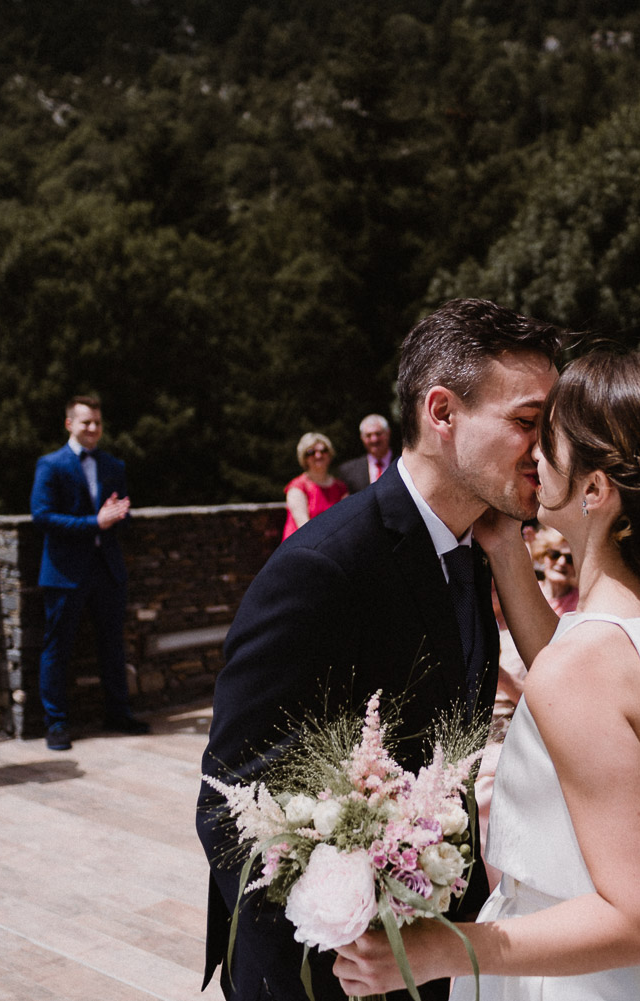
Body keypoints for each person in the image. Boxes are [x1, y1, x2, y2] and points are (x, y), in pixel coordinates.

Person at [332, 348, 640, 1001]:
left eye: (550, 440)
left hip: (580, 979)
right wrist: (509, 551)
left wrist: (437, 951)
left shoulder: (587, 667)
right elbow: (594, 681)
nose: (531, 454)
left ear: (595, 488)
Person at [198, 298, 568, 1001]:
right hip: (319, 969)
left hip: (431, 950)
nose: (547, 448)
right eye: (528, 422)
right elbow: (229, 797)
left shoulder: (477, 546)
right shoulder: (323, 568)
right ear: (442, 413)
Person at [30, 395, 148, 753]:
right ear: (69, 424)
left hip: (107, 568)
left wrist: (118, 514)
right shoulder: (50, 465)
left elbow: (121, 514)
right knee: (58, 648)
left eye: (97, 422)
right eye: (86, 422)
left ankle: (118, 713)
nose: (93, 428)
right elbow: (42, 516)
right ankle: (57, 723)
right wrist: (94, 521)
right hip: (65, 572)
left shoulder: (114, 464)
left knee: (112, 645)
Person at [283, 431, 349, 539]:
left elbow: (346, 520)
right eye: (311, 452)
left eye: (324, 451)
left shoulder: (340, 487)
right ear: (304, 458)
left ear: (330, 455)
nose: (318, 455)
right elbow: (304, 526)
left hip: (333, 545)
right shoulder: (297, 487)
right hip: (302, 546)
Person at [336, 414, 394, 494]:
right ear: (362, 438)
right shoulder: (348, 471)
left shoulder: (405, 463)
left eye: (378, 434)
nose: (374, 439)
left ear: (388, 433)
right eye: (368, 435)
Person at [531, 526, 578, 614]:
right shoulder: (527, 592)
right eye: (554, 554)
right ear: (542, 555)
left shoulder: (582, 602)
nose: (561, 562)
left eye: (570, 558)